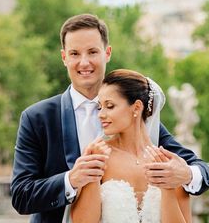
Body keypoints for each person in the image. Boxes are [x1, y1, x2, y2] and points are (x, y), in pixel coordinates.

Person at [11, 14, 209, 222]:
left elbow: (198, 168)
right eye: (74, 53)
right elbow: (20, 195)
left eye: (92, 52)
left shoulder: (133, 116)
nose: (84, 62)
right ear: (64, 58)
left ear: (107, 53)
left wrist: (186, 175)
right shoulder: (37, 118)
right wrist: (71, 179)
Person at [71, 69, 190, 223]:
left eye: (110, 106)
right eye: (100, 107)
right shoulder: (98, 156)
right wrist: (94, 172)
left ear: (136, 107)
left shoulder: (168, 162)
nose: (101, 114)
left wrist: (167, 188)